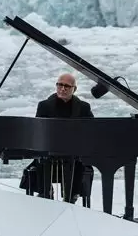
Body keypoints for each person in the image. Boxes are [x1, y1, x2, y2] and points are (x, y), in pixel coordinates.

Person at [20, 72, 94, 203]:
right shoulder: (44, 105)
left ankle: (72, 196)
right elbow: (38, 132)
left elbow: (92, 131)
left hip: (74, 154)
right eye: (60, 85)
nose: (63, 89)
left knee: (80, 164)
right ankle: (46, 193)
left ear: (74, 89)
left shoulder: (83, 107)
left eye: (67, 86)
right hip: (49, 154)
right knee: (41, 161)